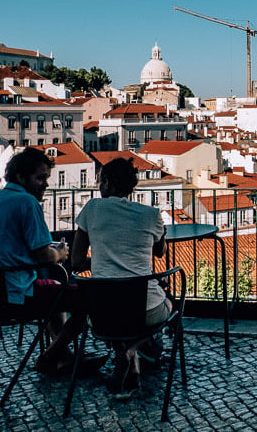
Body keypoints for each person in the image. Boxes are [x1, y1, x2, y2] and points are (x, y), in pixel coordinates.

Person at [0, 147, 105, 376]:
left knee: (54, 290)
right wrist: (61, 254)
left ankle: (62, 357)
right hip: (14, 296)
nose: (45, 184)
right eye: (40, 178)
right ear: (21, 177)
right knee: (87, 297)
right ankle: (50, 356)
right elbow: (44, 257)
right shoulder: (27, 202)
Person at [70, 157, 169, 400]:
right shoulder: (151, 214)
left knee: (116, 313)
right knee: (169, 305)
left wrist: (105, 260)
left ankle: (129, 360)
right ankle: (131, 351)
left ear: (105, 183)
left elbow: (76, 262)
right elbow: (160, 251)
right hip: (143, 309)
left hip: (102, 312)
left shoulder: (91, 209)